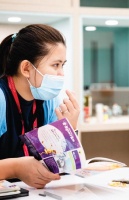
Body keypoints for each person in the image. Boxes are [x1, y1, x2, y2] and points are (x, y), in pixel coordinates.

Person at [0, 24, 80, 188]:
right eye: (55, 65)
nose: (61, 74)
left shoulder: (49, 101)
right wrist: (15, 168)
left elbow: (55, 166)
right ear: (26, 68)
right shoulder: (1, 98)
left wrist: (67, 132)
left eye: (62, 65)